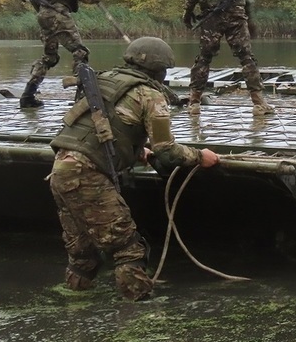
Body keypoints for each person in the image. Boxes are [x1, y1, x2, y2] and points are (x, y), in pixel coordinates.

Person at [48, 37, 221, 301]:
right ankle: (137, 310)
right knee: (129, 250)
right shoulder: (150, 95)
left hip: (61, 171)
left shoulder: (104, 81)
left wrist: (136, 150)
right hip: (88, 176)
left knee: (82, 255)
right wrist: (199, 156)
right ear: (161, 70)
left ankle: (73, 308)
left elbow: (98, 128)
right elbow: (167, 149)